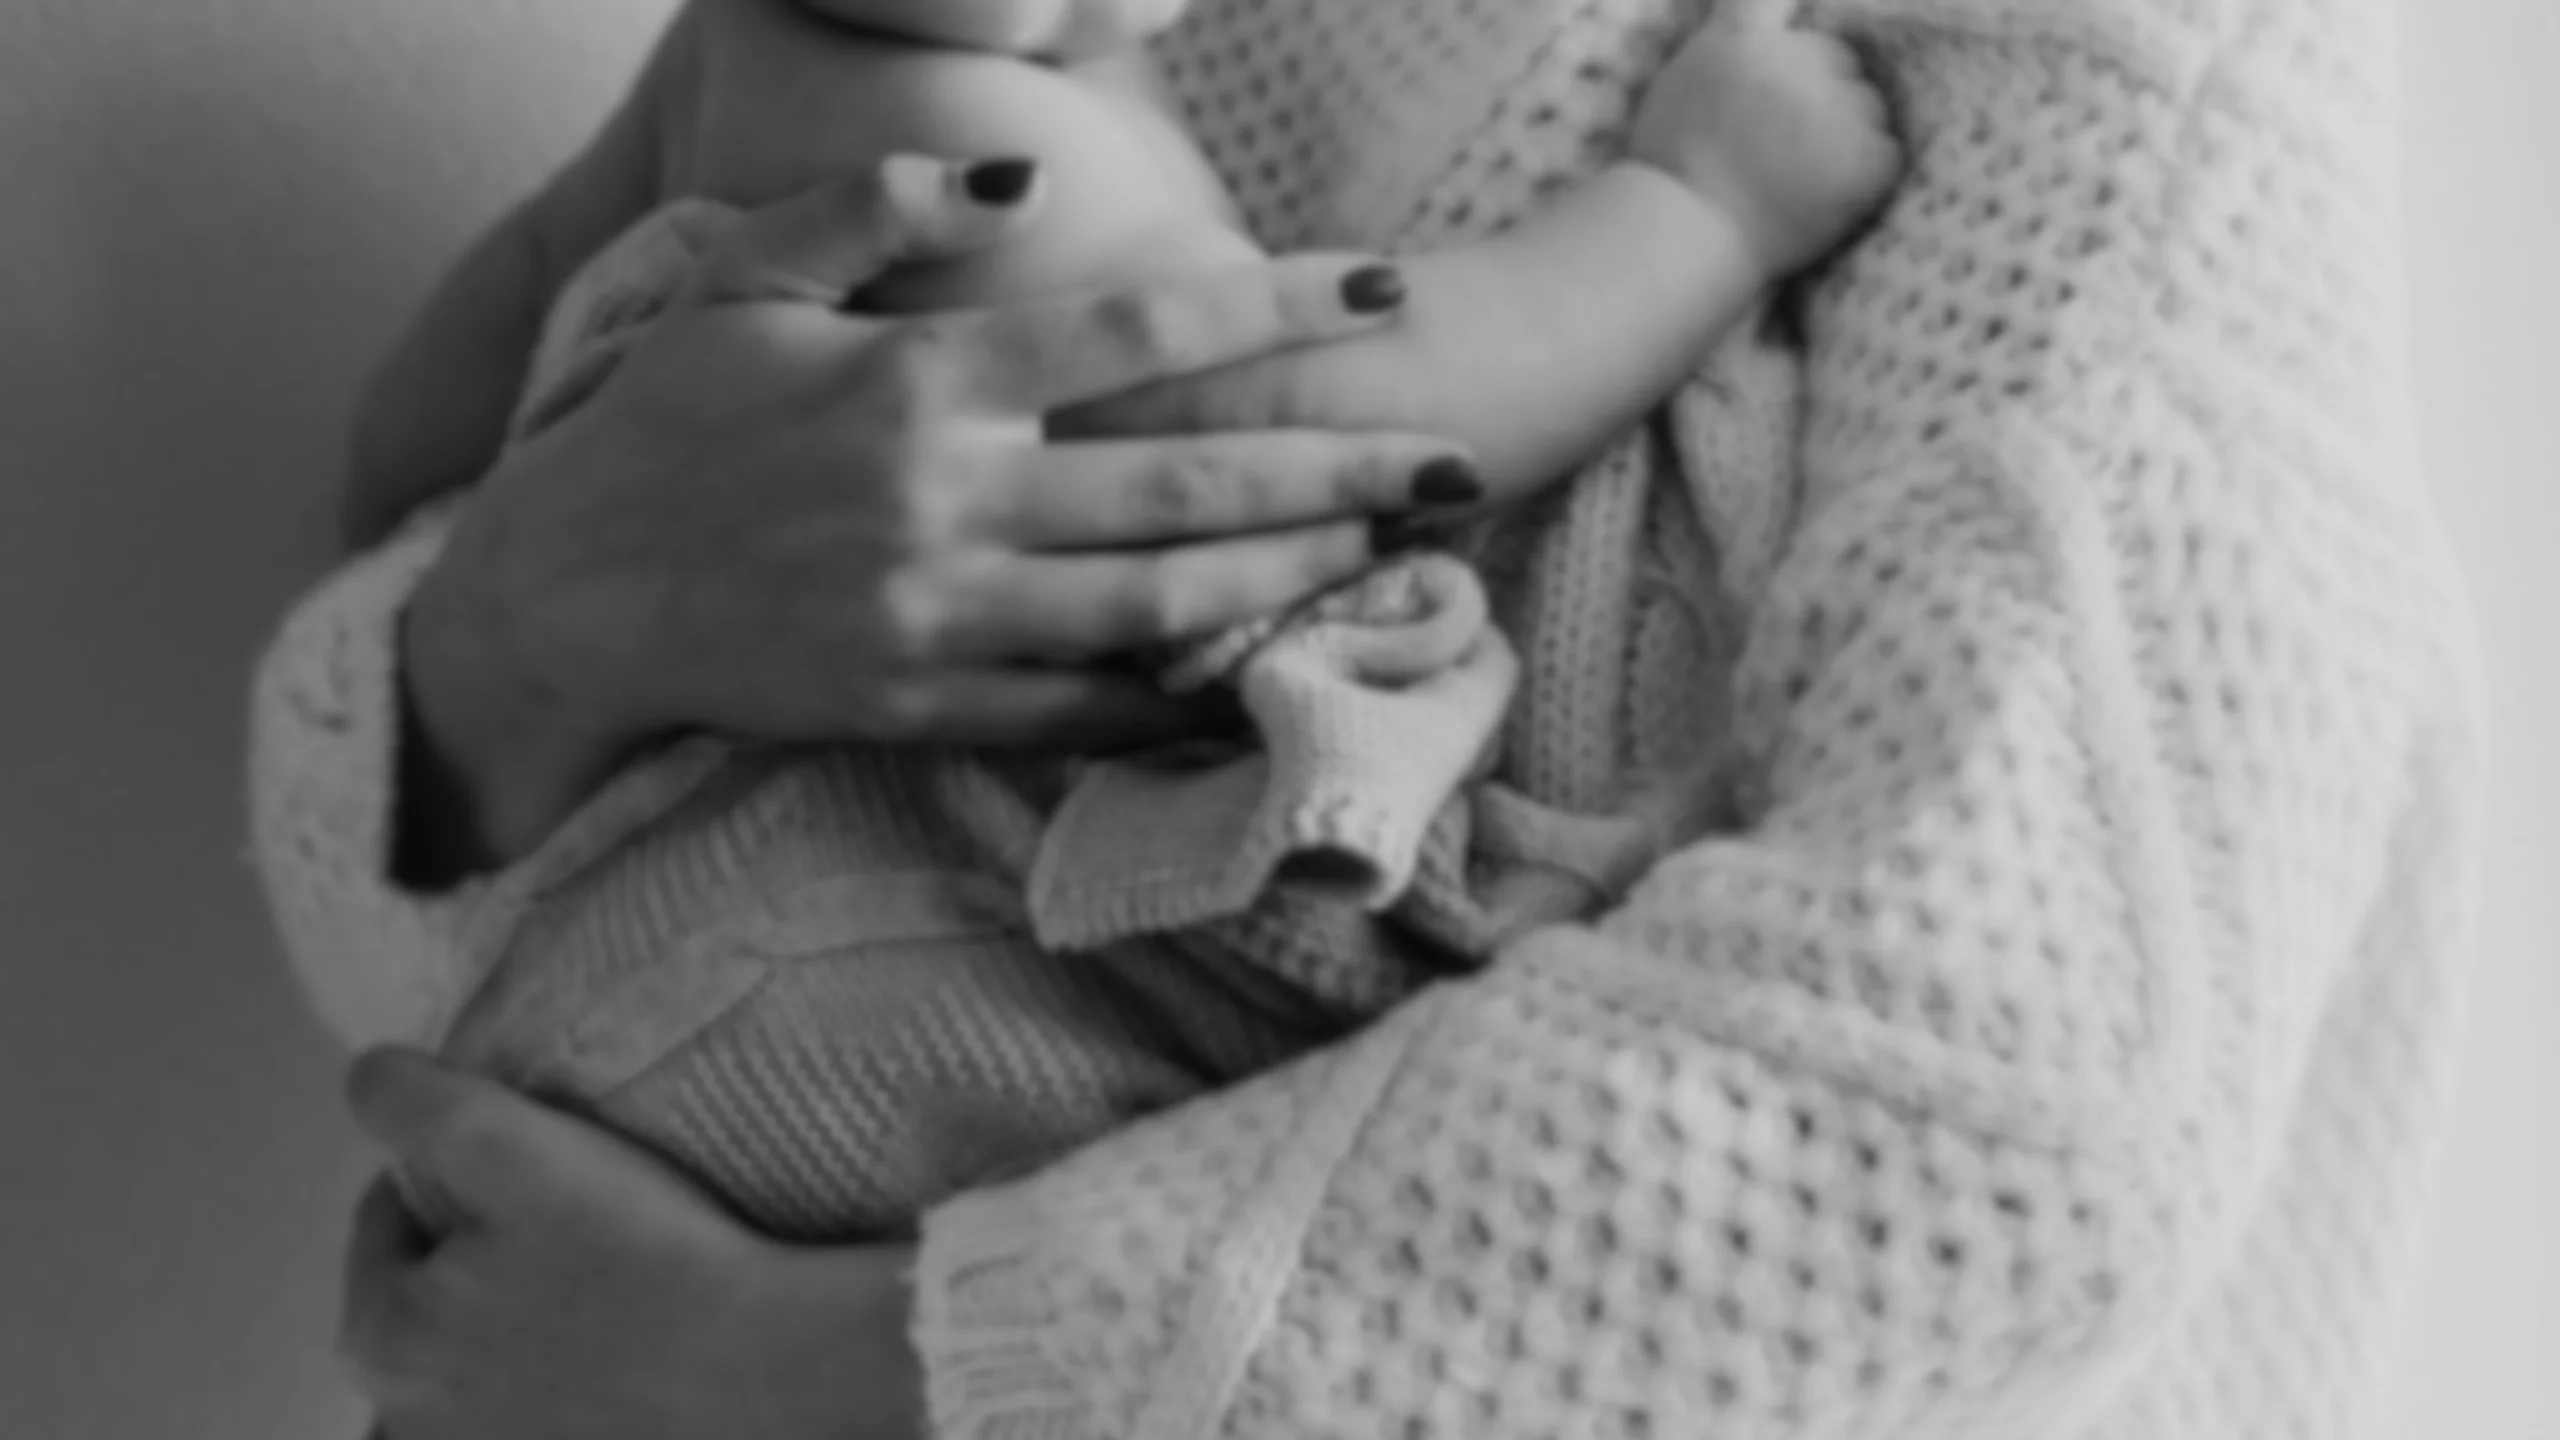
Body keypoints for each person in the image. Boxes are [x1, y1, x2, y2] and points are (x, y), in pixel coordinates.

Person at [250, 0, 2484, 1437]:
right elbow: (417, 891)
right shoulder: (911, 86)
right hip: (738, 1083)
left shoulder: (2132, 98)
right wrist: (536, 625)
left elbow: (2012, 1119)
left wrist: (811, 1375)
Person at [333, 0, 1898, 1244]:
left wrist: (505, 503)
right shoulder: (917, 107)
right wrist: (1703, 209)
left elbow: (428, 410)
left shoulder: (758, 56)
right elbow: (1291, 422)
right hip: (881, 953)